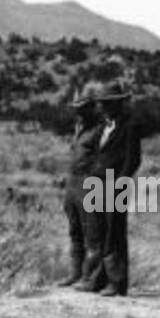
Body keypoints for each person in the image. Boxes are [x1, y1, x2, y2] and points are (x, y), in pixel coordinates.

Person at [78, 79, 142, 297]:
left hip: (116, 185)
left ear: (118, 104)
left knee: (114, 233)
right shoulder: (103, 127)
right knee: (97, 231)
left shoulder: (130, 126)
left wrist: (121, 184)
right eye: (101, 103)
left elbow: (133, 160)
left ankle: (116, 283)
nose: (102, 107)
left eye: (107, 103)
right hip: (97, 183)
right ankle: (97, 280)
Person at [58, 82, 104, 287]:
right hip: (73, 182)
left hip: (90, 183)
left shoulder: (100, 130)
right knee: (75, 230)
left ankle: (91, 278)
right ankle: (75, 273)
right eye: (77, 109)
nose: (79, 112)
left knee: (92, 232)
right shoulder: (79, 129)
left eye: (83, 108)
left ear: (92, 108)